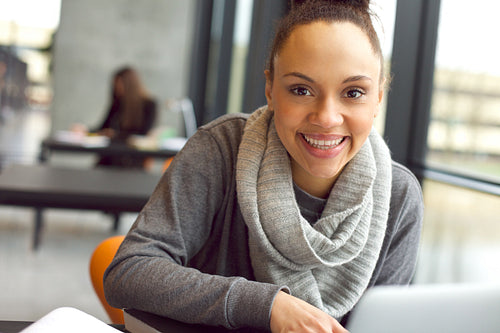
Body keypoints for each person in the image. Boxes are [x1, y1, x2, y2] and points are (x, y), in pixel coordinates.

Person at [104, 1, 423, 332]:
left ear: (379, 98)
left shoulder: (400, 197)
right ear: (270, 89)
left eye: (353, 92)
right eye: (301, 90)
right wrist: (268, 306)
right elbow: (129, 271)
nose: (327, 118)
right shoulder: (222, 148)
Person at [94, 66, 157, 168]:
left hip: (132, 158)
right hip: (110, 156)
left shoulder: (149, 104)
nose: (117, 89)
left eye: (120, 85)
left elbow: (143, 133)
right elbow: (103, 127)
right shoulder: (118, 103)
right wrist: (85, 131)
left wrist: (115, 135)